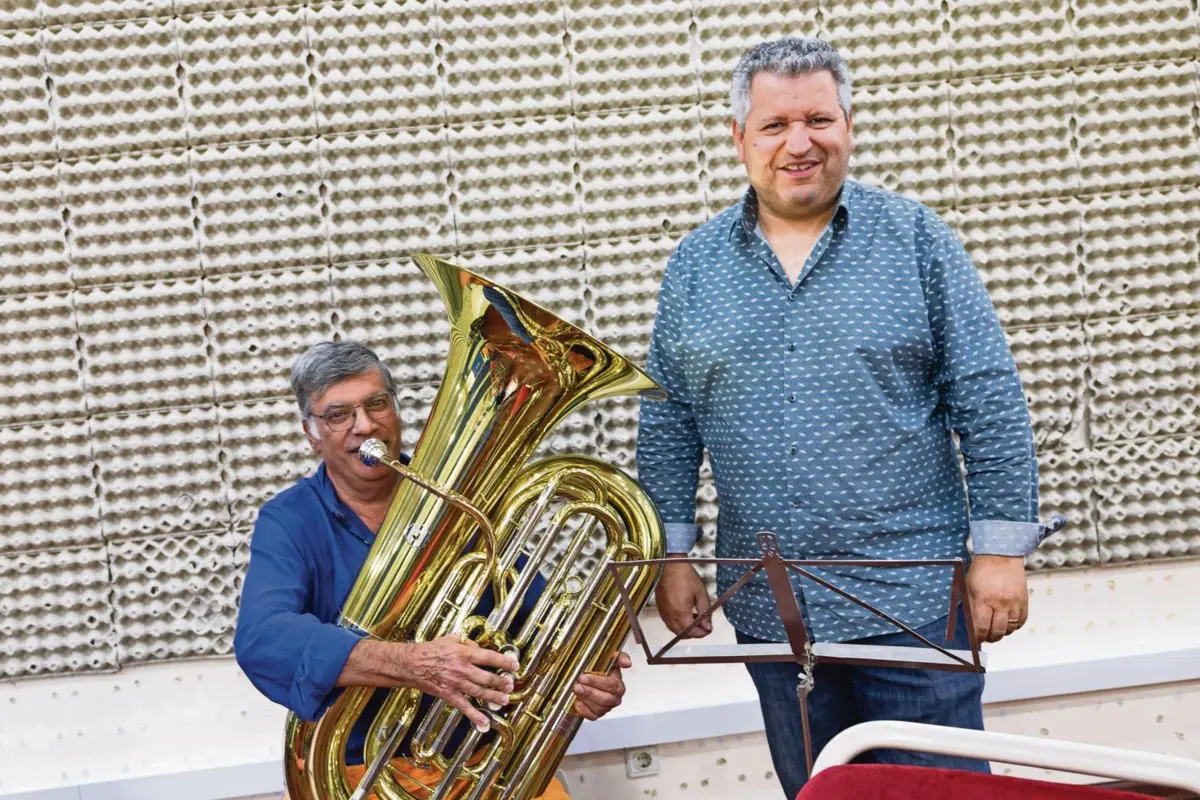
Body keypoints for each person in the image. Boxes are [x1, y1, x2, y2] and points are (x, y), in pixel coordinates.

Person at [637, 37, 1048, 798]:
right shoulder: (694, 266)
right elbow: (669, 420)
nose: (799, 143)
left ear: (849, 125)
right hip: (773, 614)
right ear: (739, 137)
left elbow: (988, 396)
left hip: (914, 607)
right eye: (775, 125)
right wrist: (671, 556)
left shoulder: (917, 239)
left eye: (818, 119)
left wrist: (1001, 550)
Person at [235, 341, 629, 800]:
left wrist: (583, 672)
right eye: (339, 414)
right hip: (357, 773)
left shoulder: (459, 500)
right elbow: (263, 637)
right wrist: (413, 664)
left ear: (395, 408)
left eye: (376, 404)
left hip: (484, 761)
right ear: (311, 432)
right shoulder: (289, 520)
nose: (365, 425)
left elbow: (538, 619)